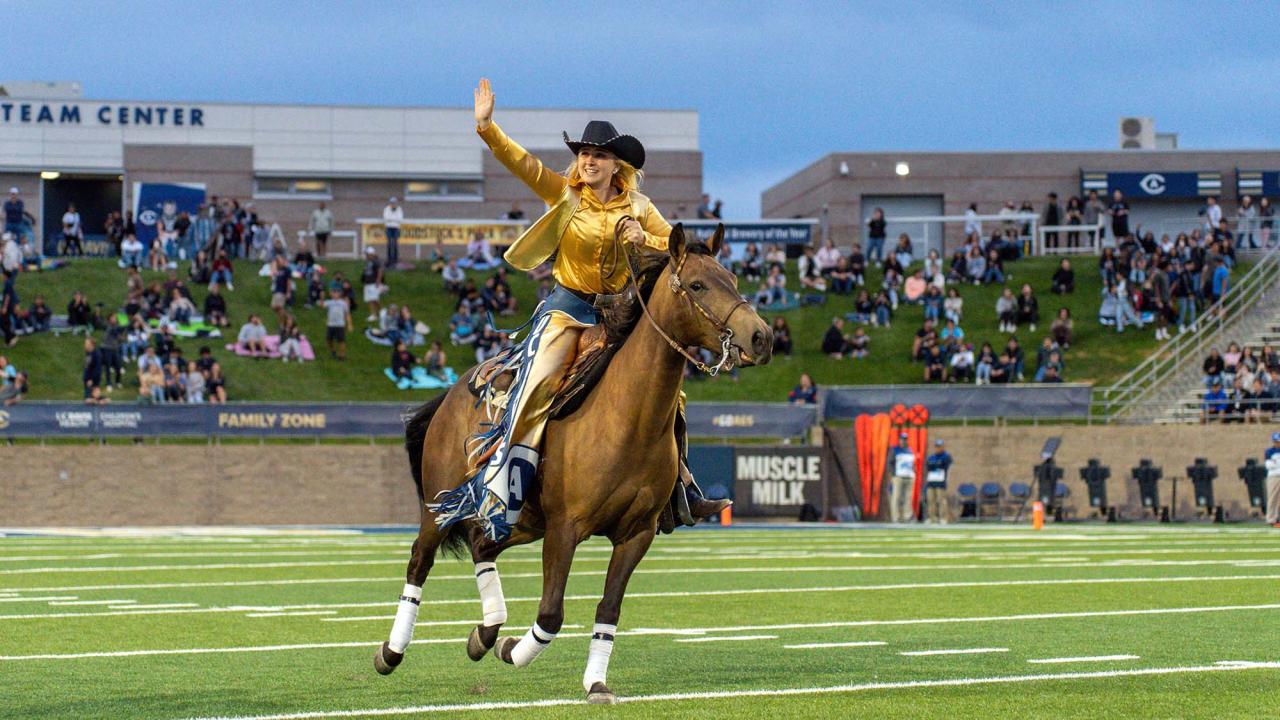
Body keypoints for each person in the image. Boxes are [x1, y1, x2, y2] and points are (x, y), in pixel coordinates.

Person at [441, 77, 723, 540]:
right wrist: (488, 128)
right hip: (567, 308)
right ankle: (502, 491)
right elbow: (525, 164)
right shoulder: (566, 196)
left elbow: (679, 251)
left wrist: (644, 238)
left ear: (618, 165)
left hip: (621, 315)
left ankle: (682, 490)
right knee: (537, 382)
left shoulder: (641, 205)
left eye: (598, 155)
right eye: (583, 153)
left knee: (670, 393)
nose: (587, 161)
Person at [924, 439, 953, 523]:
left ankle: (943, 518)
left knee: (941, 501)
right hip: (931, 481)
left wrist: (936, 466)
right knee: (930, 501)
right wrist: (936, 465)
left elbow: (947, 467)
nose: (938, 448)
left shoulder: (946, 456)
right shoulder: (931, 457)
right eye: (936, 446)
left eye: (940, 446)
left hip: (940, 481)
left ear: (943, 447)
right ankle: (932, 517)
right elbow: (928, 467)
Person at [890, 433, 916, 523]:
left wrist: (914, 472)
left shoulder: (910, 450)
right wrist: (893, 475)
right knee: (896, 497)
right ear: (899, 440)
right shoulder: (895, 449)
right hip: (899, 477)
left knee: (908, 498)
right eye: (902, 439)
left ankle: (907, 516)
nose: (904, 441)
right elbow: (890, 463)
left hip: (909, 476)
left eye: (905, 439)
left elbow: (912, 463)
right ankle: (896, 517)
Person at [324, 286, 353, 361]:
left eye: (337, 292)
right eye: (333, 292)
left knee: (341, 341)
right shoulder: (329, 302)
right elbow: (322, 305)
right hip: (330, 324)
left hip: (340, 325)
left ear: (340, 294)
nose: (335, 294)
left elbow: (347, 314)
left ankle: (342, 355)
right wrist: (321, 297)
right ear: (331, 294)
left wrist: (349, 324)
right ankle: (333, 351)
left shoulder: (343, 303)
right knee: (328, 340)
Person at [361, 246, 385, 322]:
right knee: (370, 300)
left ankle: (382, 313)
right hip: (368, 283)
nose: (366, 255)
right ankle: (373, 315)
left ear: (371, 253)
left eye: (367, 254)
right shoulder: (368, 262)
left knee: (375, 299)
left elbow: (380, 270)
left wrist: (378, 280)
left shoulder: (376, 261)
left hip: (374, 283)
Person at [1264, 433, 1280, 527]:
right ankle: (1271, 519)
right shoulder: (1269, 451)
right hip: (1273, 476)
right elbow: (1269, 465)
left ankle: (1277, 518)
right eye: (1275, 441)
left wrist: (1276, 462)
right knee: (1272, 498)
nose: (1277, 443)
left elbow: (1274, 464)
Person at [382, 197, 403, 269]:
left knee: (395, 244)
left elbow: (400, 219)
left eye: (394, 203)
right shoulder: (386, 209)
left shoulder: (399, 209)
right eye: (392, 203)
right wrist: (394, 219)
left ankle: (395, 259)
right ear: (390, 203)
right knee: (389, 244)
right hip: (389, 228)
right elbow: (385, 218)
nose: (393, 204)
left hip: (396, 228)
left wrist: (391, 219)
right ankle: (389, 259)